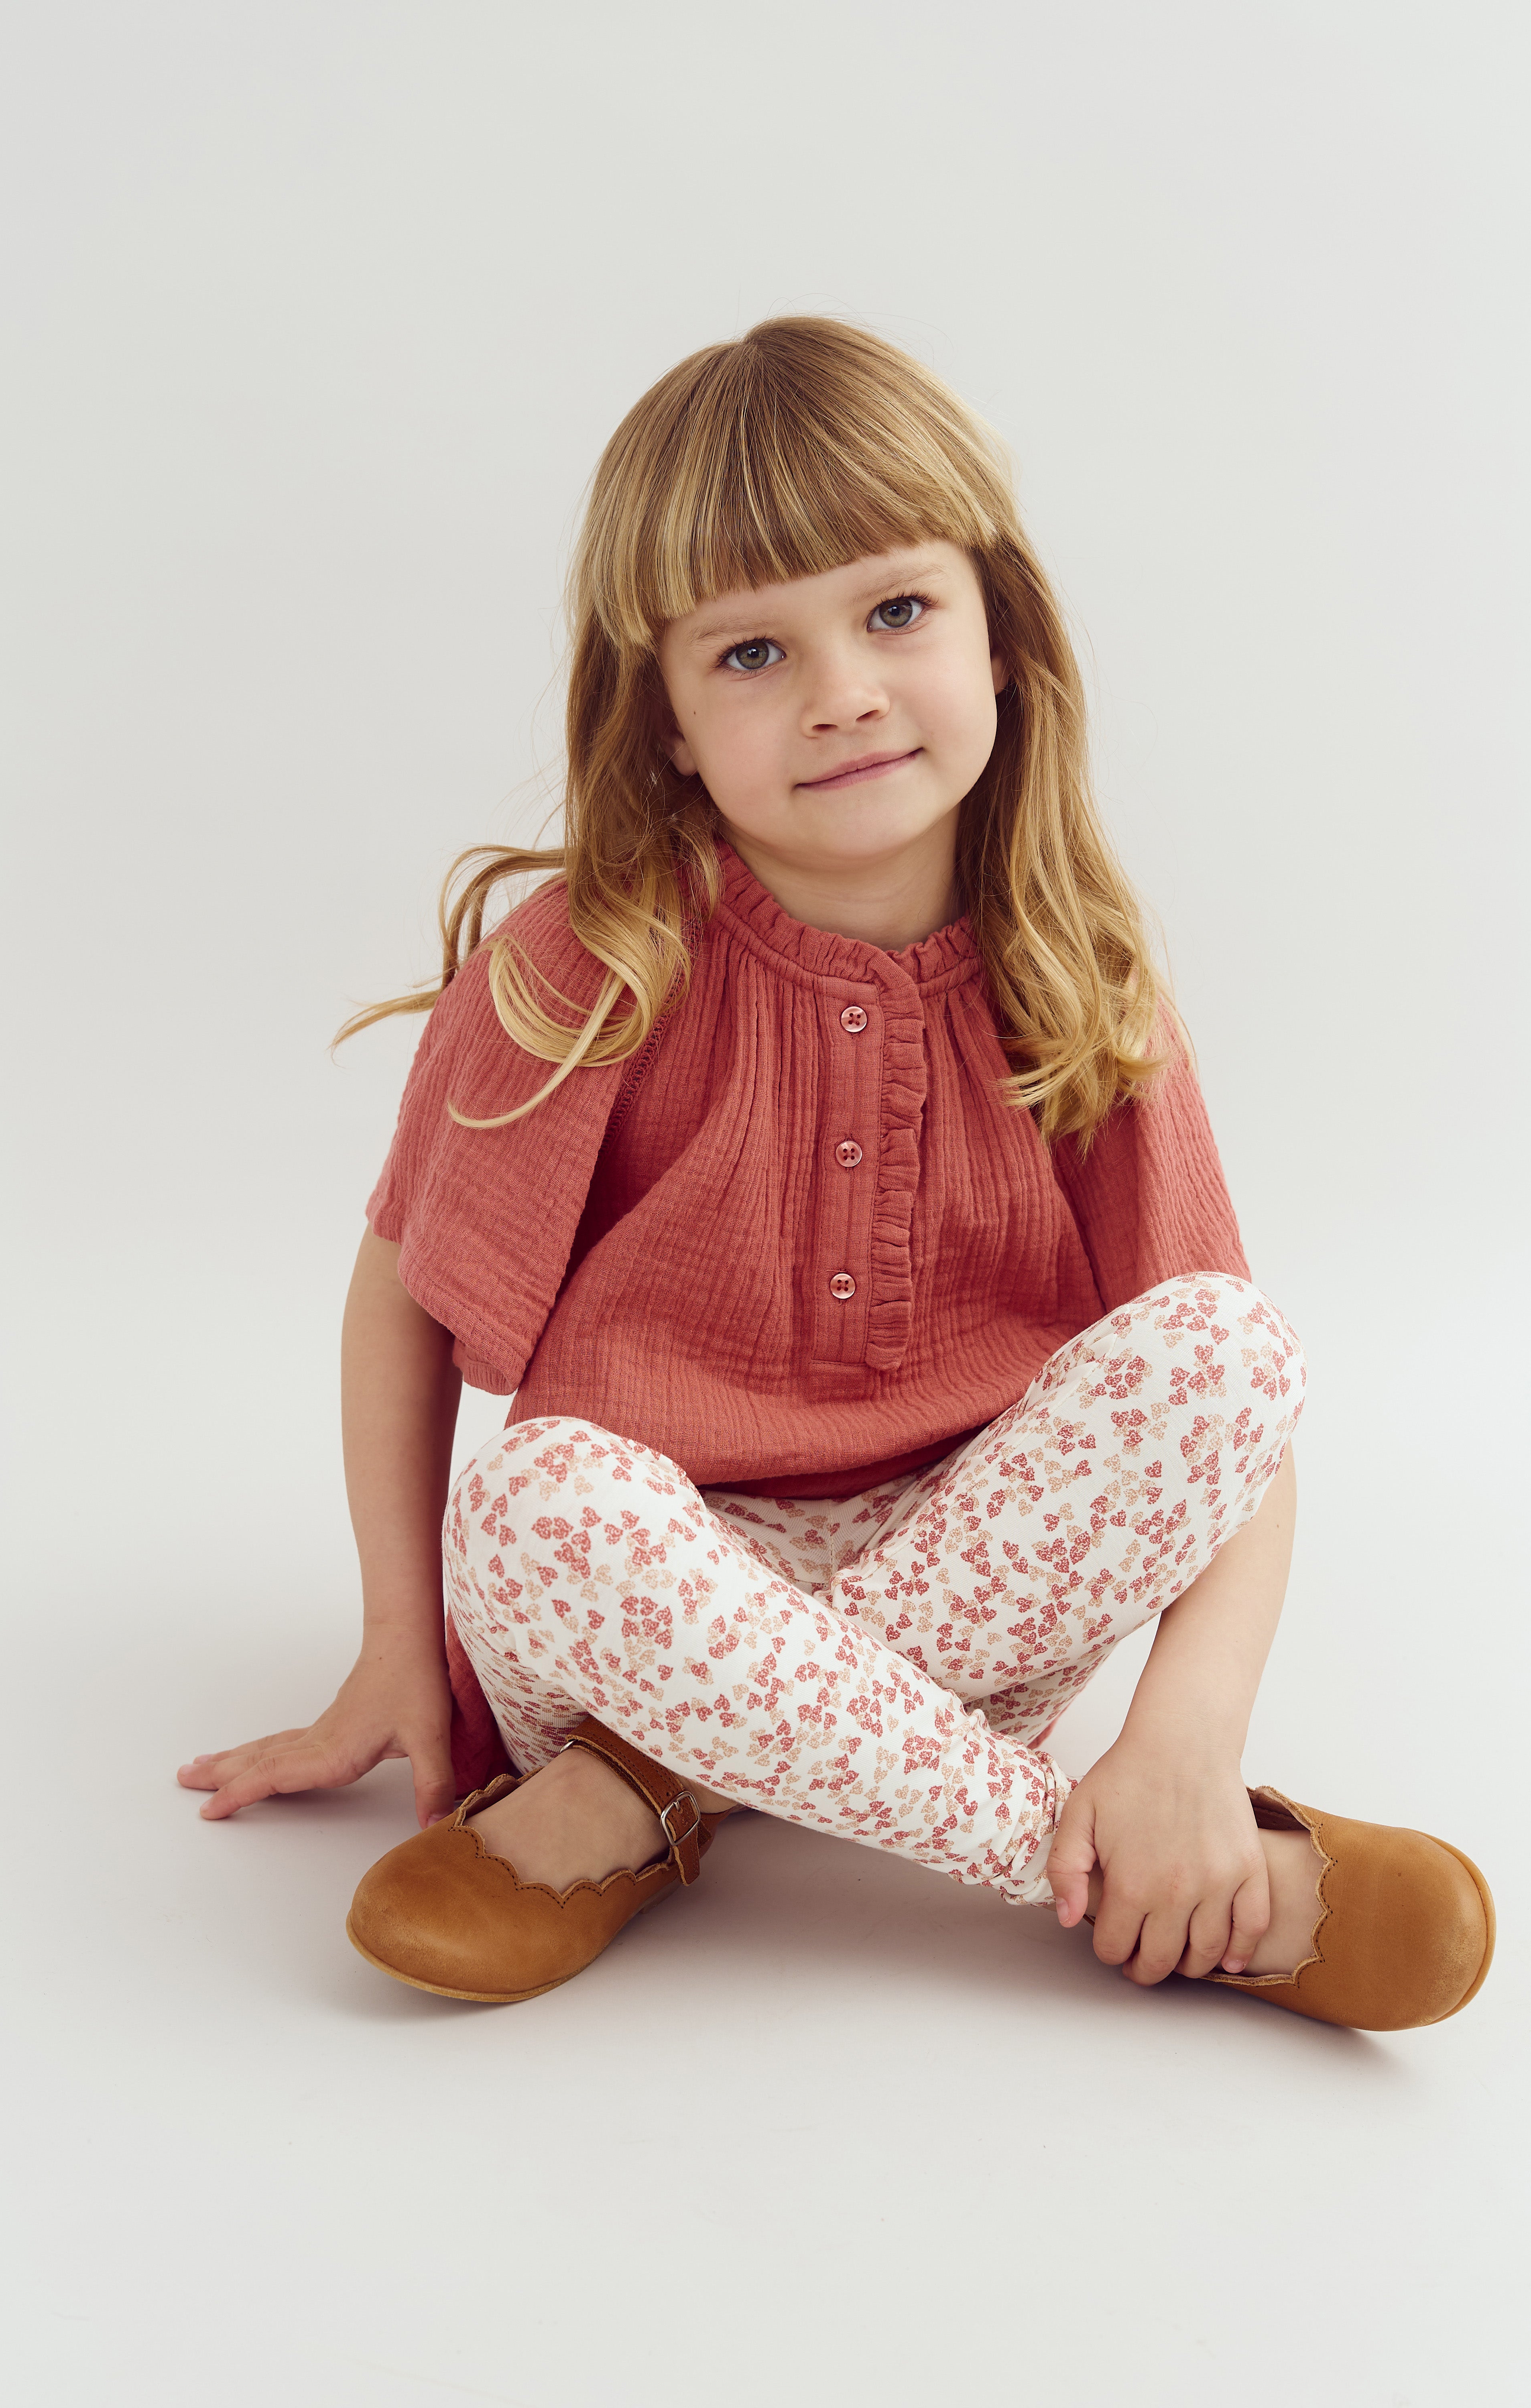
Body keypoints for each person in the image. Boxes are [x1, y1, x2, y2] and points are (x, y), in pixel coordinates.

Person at [178, 318, 1492, 2028]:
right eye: (748, 655)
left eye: (893, 612)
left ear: (1001, 635)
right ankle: (1186, 1890)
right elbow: (406, 1304)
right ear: (658, 724)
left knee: (1235, 1347)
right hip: (627, 1608)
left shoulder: (1076, 972)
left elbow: (1224, 1426)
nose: (842, 692)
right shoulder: (587, 963)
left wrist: (1186, 1735)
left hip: (975, 1607)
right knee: (540, 1491)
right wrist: (390, 1642)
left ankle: (646, 1808)